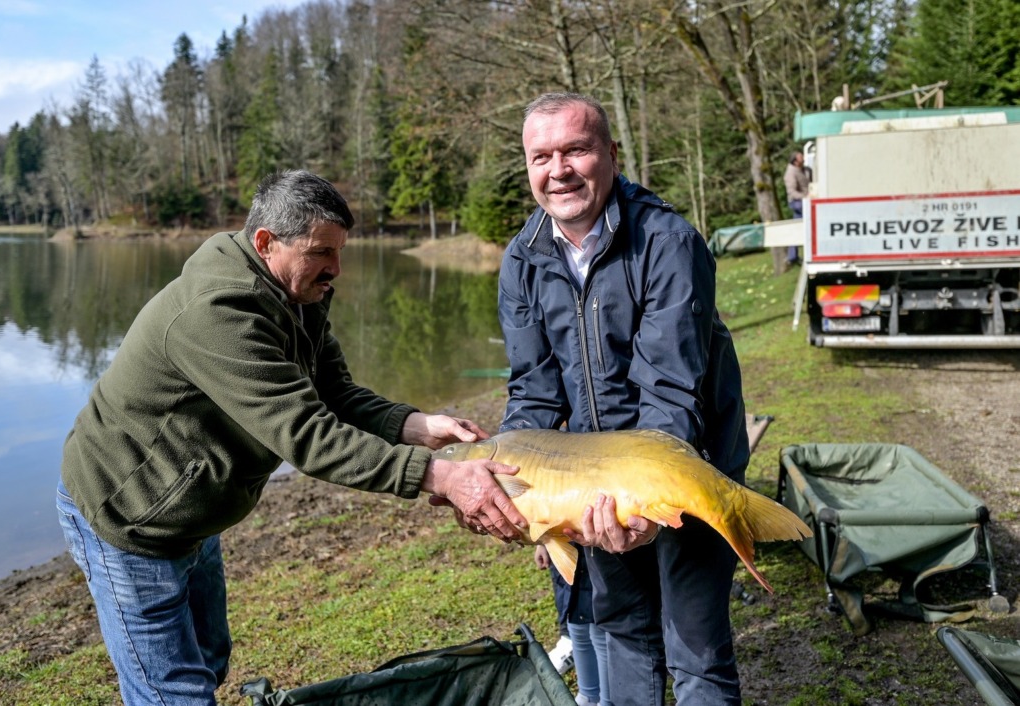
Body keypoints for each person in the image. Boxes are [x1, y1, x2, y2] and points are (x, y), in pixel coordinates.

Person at [56, 169, 526, 705]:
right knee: (173, 692)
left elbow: (331, 391)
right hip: (130, 516)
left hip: (188, 507)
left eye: (340, 251)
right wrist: (440, 476)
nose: (336, 269)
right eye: (322, 251)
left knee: (209, 657)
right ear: (265, 243)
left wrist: (415, 426)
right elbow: (306, 435)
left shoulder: (300, 292)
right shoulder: (217, 313)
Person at [498, 93, 749, 705]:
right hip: (592, 483)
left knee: (696, 651)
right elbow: (533, 391)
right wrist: (526, 497)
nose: (558, 170)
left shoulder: (668, 241)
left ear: (612, 153)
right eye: (541, 156)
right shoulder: (521, 259)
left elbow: (670, 389)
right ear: (528, 168)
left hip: (689, 462)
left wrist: (645, 501)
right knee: (624, 639)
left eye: (576, 150)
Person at [535, 545, 608, 706]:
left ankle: (607, 701)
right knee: (577, 626)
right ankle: (587, 696)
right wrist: (543, 542)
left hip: (599, 548)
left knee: (599, 631)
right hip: (565, 548)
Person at [783, 150, 810, 264]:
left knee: (797, 228)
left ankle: (792, 256)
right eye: (800, 157)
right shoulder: (791, 173)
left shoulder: (803, 169)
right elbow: (792, 191)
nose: (803, 158)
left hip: (803, 201)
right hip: (798, 202)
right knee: (810, 223)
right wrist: (806, 197)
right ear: (795, 161)